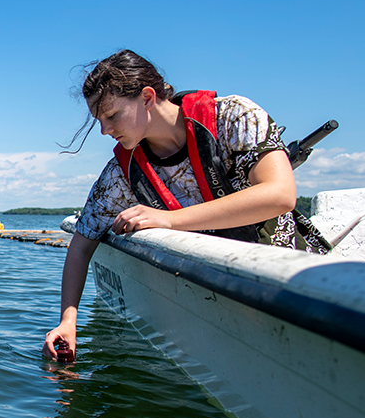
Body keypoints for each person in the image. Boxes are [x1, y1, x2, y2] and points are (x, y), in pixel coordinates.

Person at [43, 49, 329, 361]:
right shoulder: (120, 174)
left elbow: (280, 195)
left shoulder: (234, 117)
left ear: (147, 97)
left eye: (112, 116)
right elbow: (81, 245)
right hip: (217, 300)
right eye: (99, 120)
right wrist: (67, 321)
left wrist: (169, 220)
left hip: (298, 288)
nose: (105, 130)